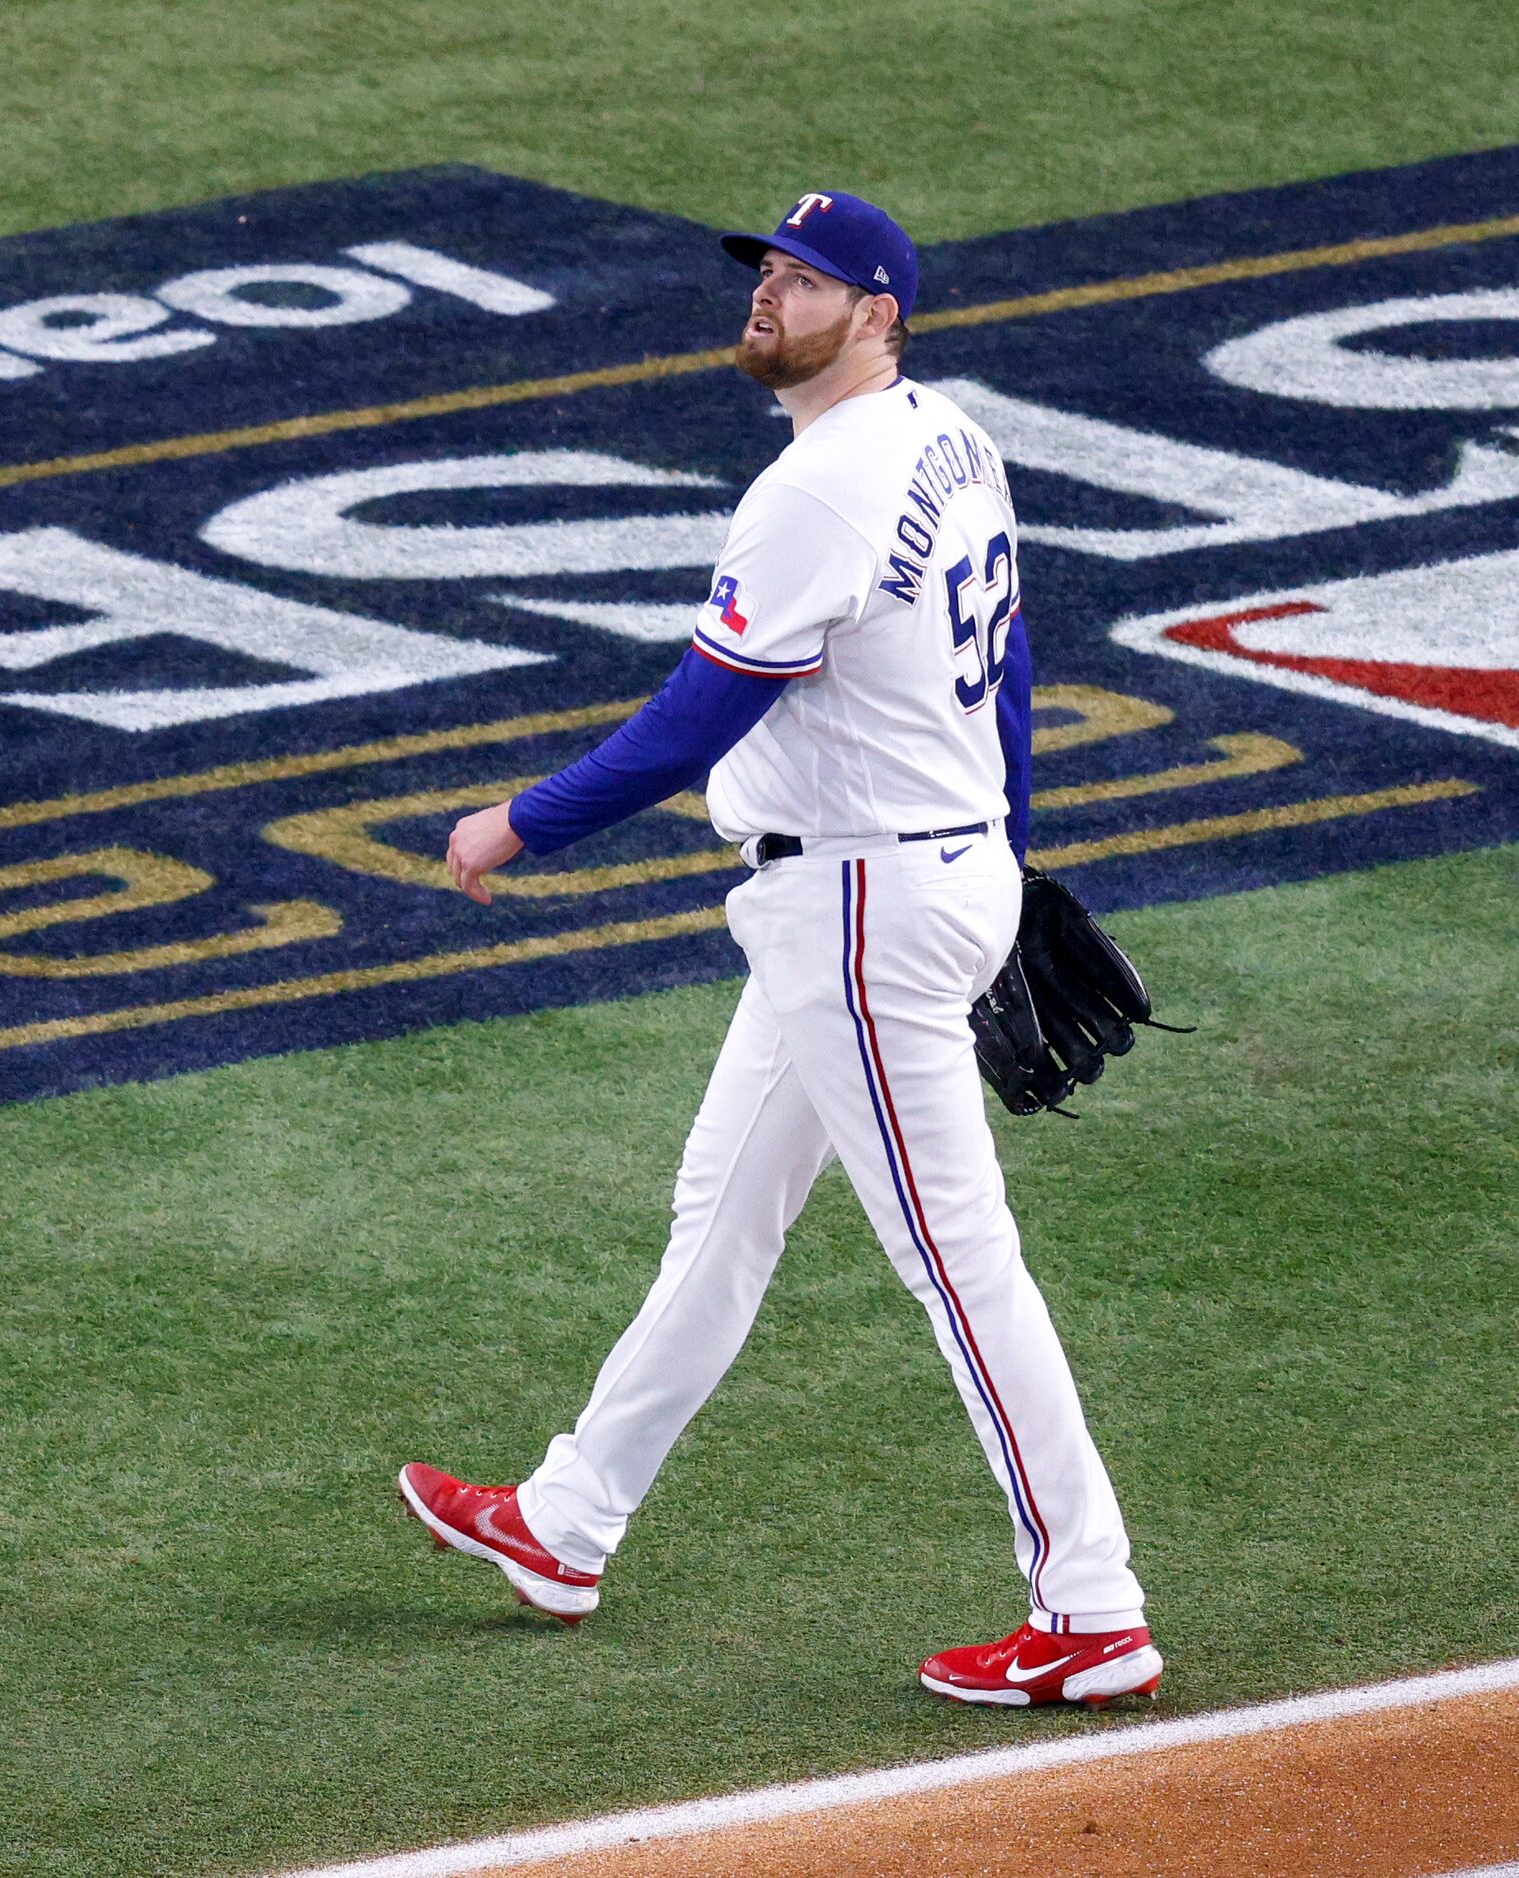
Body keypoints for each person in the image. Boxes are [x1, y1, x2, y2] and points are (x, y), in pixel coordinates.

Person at [396, 190, 1161, 1708]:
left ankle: (1091, 1603)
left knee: (958, 1262)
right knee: (723, 1211)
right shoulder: (948, 435)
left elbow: (699, 717)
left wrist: (515, 822)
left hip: (865, 906)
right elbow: (1008, 664)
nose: (771, 294)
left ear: (877, 312)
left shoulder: (821, 491)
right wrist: (1005, 847)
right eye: (767, 271)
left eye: (808, 279)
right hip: (902, 880)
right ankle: (566, 1519)